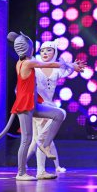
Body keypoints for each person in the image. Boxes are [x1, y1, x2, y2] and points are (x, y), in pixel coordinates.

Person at [6, 32, 85, 181]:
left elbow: (56, 68)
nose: (42, 52)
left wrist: (72, 67)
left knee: (59, 114)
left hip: (34, 104)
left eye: (48, 50)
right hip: (26, 105)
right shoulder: (28, 63)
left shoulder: (26, 62)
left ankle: (45, 146)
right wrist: (71, 65)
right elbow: (49, 64)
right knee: (27, 139)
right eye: (38, 49)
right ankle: (21, 172)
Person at [26, 39, 76, 179]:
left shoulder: (56, 69)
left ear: (55, 52)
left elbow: (69, 70)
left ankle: (46, 168)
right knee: (39, 140)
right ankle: (39, 169)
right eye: (42, 50)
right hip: (37, 106)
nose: (45, 53)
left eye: (49, 50)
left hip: (49, 106)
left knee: (44, 139)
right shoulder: (35, 67)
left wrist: (71, 65)